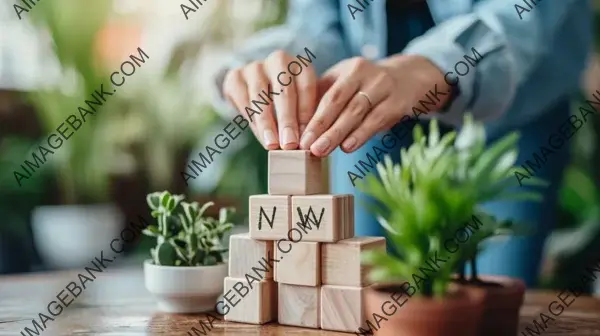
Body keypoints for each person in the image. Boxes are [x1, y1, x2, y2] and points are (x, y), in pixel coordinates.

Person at [213, 0, 593, 287]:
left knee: (495, 295)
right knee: (358, 285)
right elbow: (321, 22)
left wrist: (431, 66)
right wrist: (284, 68)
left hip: (515, 106)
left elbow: (524, 14)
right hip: (372, 112)